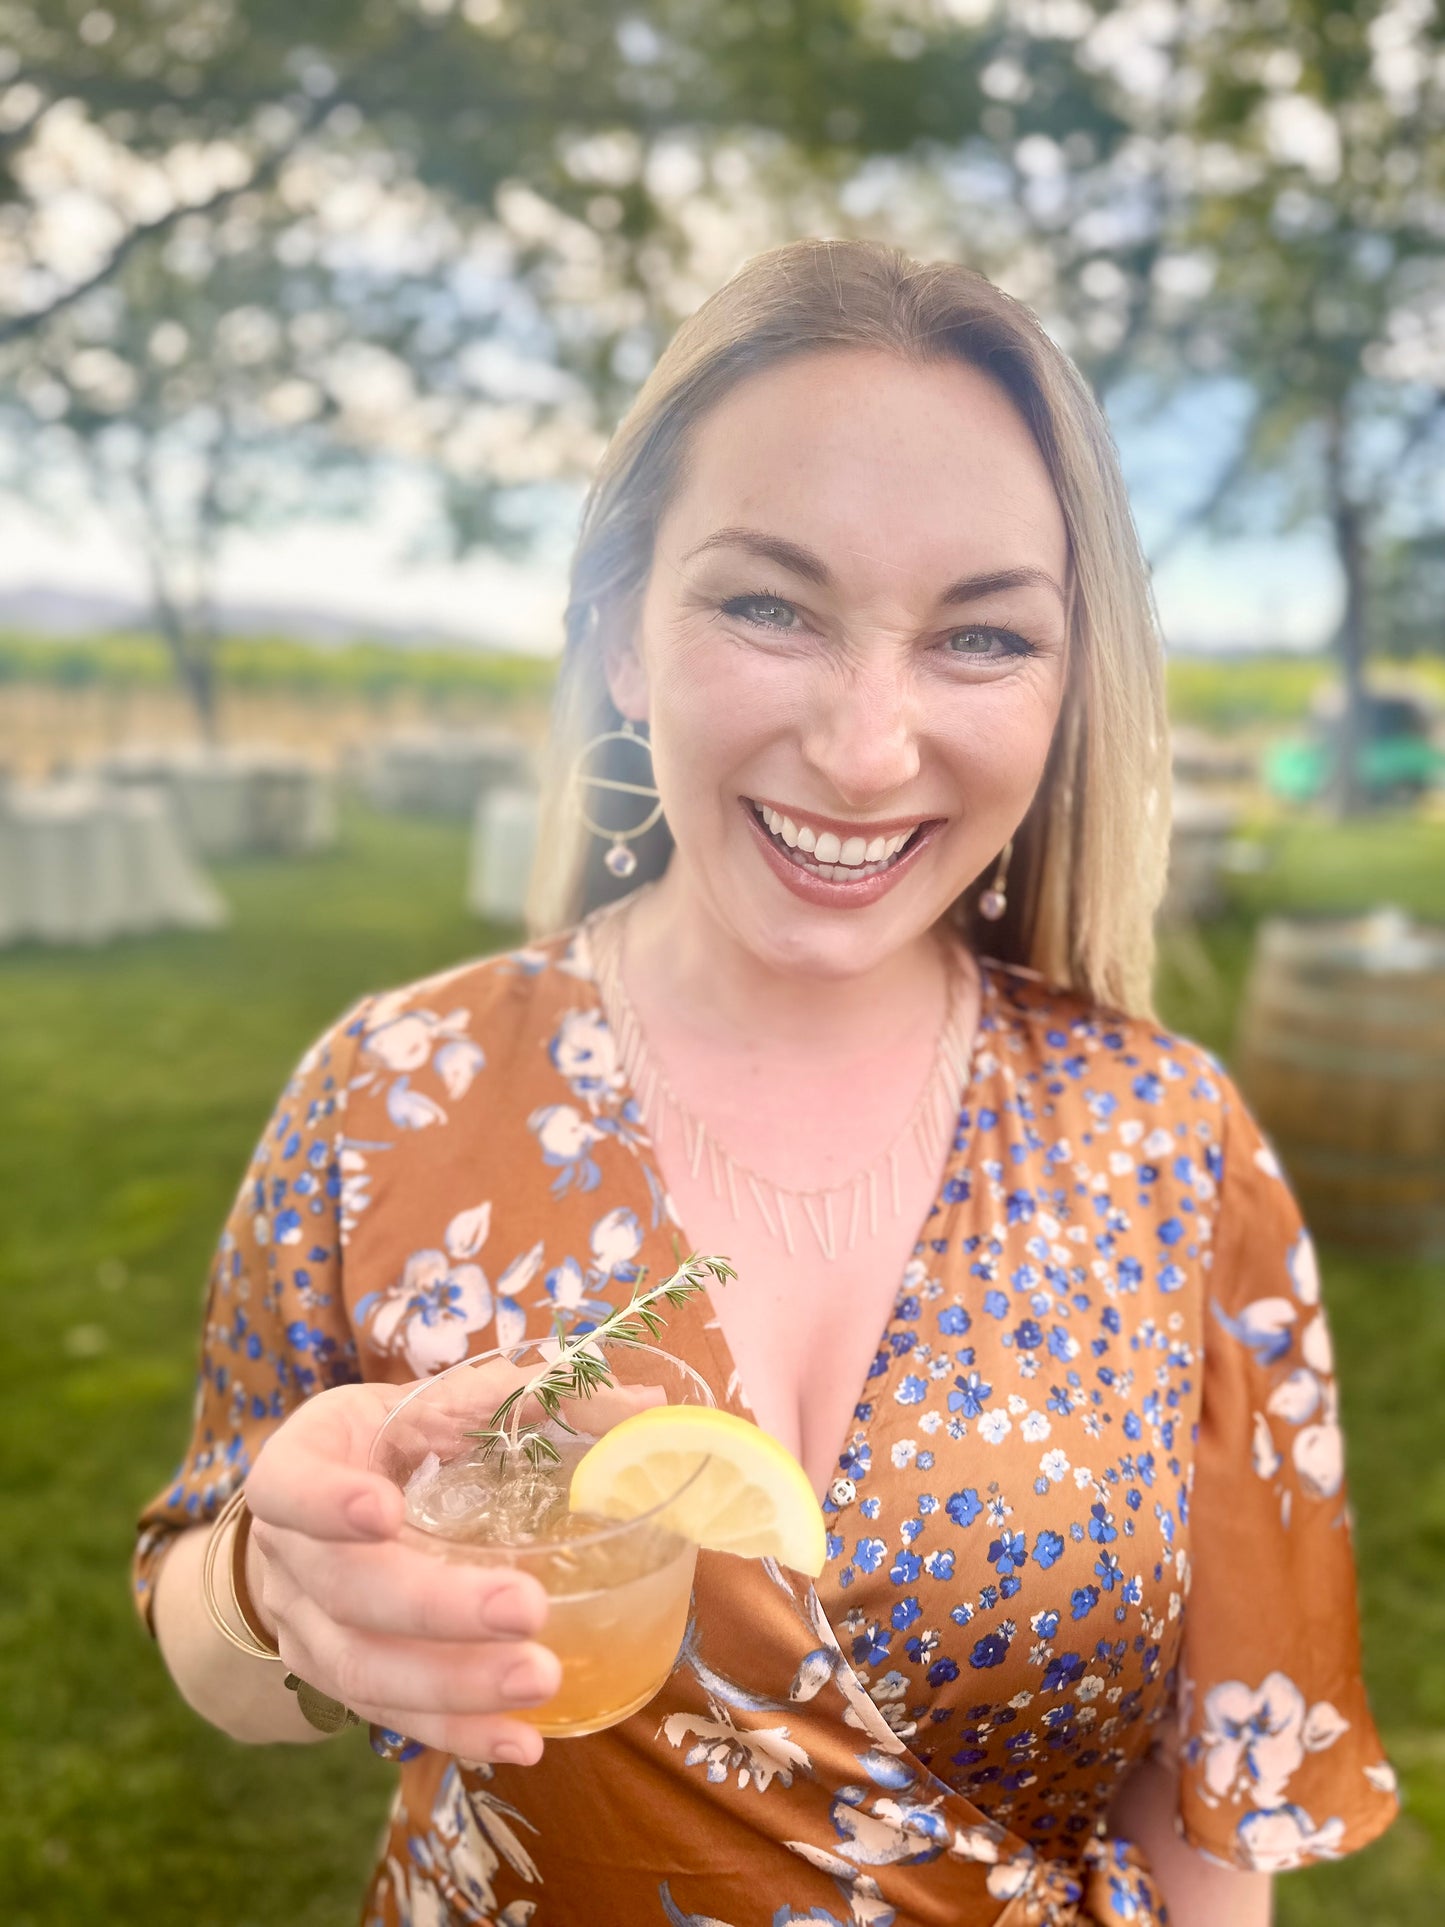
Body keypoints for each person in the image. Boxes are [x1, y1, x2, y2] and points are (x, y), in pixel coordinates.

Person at [132, 237, 1399, 1927]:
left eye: (979, 637)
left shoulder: (1169, 1147)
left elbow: (1208, 1805)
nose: (867, 748)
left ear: (1066, 679)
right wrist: (278, 1600)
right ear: (625, 637)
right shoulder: (390, 1093)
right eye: (766, 604)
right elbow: (208, 1613)